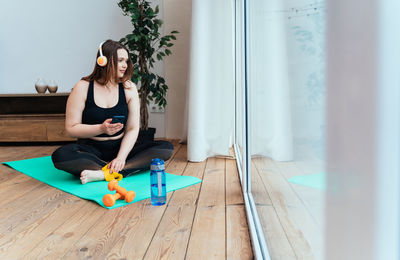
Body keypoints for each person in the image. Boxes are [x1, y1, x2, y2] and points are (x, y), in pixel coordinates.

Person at [51, 39, 173, 184]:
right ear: (103, 61)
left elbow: (133, 128)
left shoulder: (129, 88)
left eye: (126, 61)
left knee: (166, 148)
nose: (125, 65)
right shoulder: (82, 87)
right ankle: (119, 170)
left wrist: (121, 157)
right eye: (120, 60)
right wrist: (101, 128)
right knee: (60, 156)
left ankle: (104, 173)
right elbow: (71, 129)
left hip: (121, 148)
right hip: (92, 150)